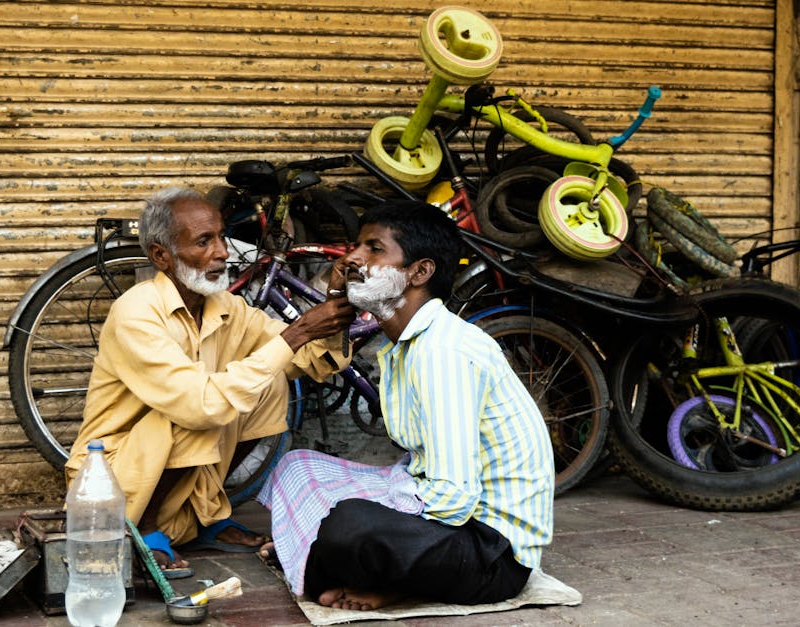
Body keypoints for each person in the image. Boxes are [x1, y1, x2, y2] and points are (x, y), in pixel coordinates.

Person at [257, 199, 555, 610]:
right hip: (452, 522)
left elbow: (453, 497)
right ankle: (336, 561)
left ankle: (366, 572)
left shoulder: (443, 352)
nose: (353, 259)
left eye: (374, 249)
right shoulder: (408, 344)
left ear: (420, 271)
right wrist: (336, 298)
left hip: (491, 554)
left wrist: (344, 513)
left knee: (347, 523)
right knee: (297, 467)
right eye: (355, 246)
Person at [64, 186, 355, 577]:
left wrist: (335, 302)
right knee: (202, 408)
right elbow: (200, 406)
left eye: (221, 236)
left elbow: (307, 362)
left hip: (178, 473)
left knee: (270, 383)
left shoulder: (225, 306)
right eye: (204, 241)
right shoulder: (136, 312)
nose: (223, 252)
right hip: (115, 482)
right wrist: (297, 331)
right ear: (161, 256)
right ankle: (145, 530)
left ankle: (204, 514)